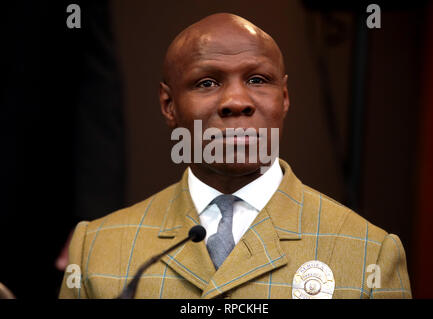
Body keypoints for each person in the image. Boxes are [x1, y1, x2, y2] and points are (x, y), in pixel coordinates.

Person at [59, 13, 411, 299]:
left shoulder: (370, 253)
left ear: (284, 99)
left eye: (258, 80)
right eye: (207, 83)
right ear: (169, 105)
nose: (236, 101)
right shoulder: (95, 248)